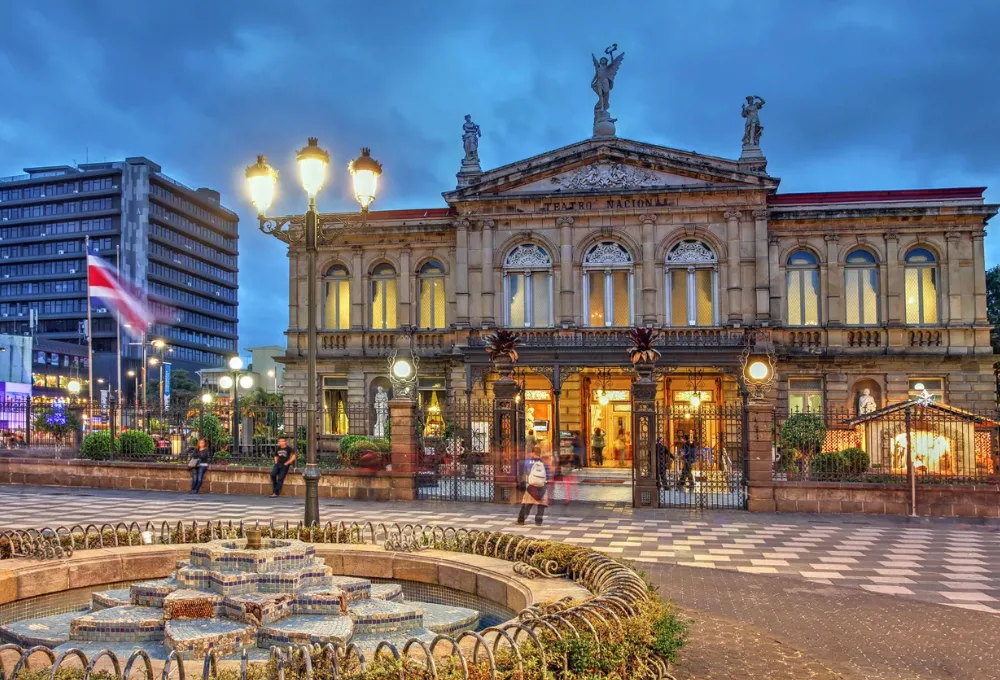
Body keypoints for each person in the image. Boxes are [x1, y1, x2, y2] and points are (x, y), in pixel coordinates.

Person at [516, 446, 551, 526]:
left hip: (531, 486)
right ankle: (538, 521)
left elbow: (524, 472)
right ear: (539, 453)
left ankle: (521, 520)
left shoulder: (528, 462)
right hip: (542, 486)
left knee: (527, 504)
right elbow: (548, 476)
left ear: (532, 453)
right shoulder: (544, 464)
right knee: (541, 505)